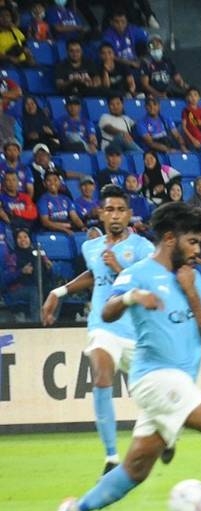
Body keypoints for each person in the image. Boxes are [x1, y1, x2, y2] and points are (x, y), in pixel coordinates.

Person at [33, 202, 201, 511]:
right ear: (170, 239)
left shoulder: (191, 277)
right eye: (193, 242)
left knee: (135, 469)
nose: (200, 250)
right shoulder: (138, 273)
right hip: (153, 377)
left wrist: (192, 293)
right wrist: (132, 298)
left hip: (177, 381)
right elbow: (107, 312)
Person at [40, 184, 155, 474]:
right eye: (109, 210)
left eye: (120, 210)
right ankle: (112, 457)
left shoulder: (143, 247)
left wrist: (119, 268)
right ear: (101, 214)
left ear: (129, 214)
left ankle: (163, 433)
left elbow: (149, 284)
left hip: (135, 330)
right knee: (101, 378)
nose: (114, 215)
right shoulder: (91, 247)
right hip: (103, 325)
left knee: (149, 394)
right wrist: (59, 292)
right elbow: (93, 275)